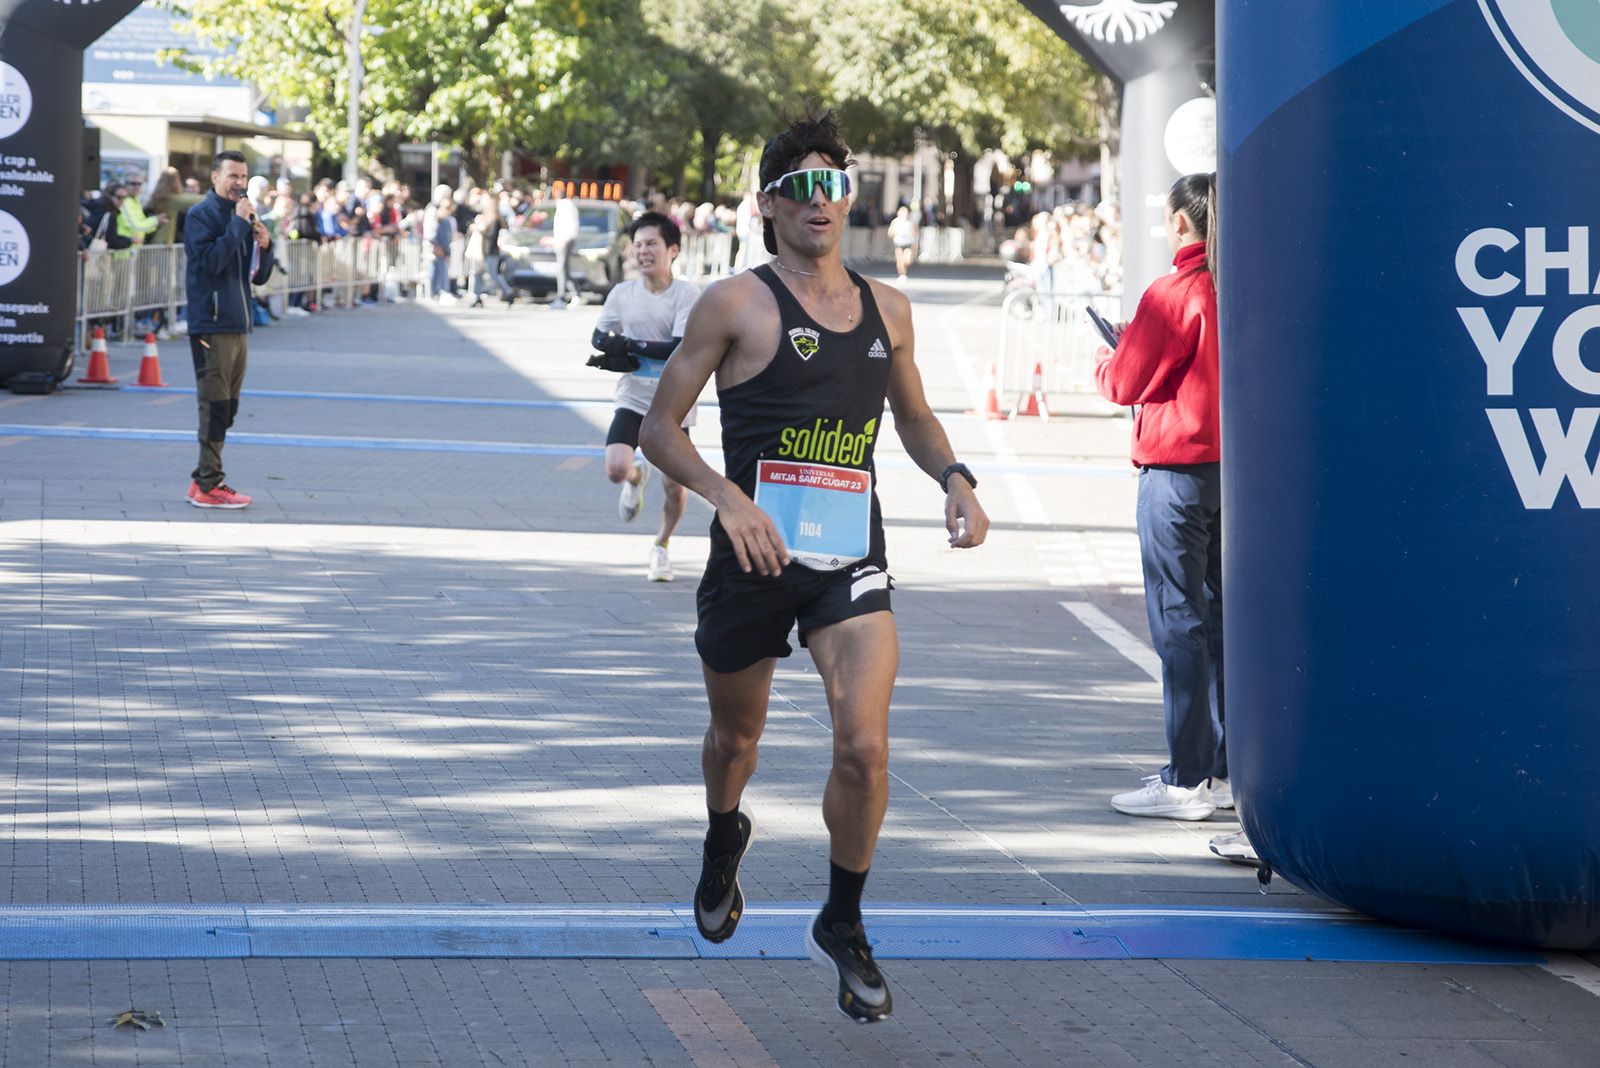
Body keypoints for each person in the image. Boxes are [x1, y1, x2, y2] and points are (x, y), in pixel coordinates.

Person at [640, 111, 988, 1023]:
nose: (819, 201)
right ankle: (724, 839)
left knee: (866, 746)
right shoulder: (734, 304)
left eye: (833, 184)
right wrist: (729, 499)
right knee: (737, 743)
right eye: (799, 187)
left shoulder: (889, 309)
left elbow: (910, 418)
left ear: (849, 196)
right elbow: (658, 428)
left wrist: (953, 476)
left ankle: (841, 919)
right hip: (751, 555)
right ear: (768, 205)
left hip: (848, 557)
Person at [1094, 173, 1225, 821]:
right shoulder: (1237, 286)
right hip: (1230, 475)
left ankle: (1186, 778)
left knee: (1178, 623)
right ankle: (1224, 771)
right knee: (1223, 623)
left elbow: (1124, 383)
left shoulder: (1173, 292)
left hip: (1173, 473)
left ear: (1180, 223)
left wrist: (1106, 357)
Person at [590, 212, 701, 582]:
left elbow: (677, 348)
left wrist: (629, 345)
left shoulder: (687, 295)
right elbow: (600, 338)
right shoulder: (622, 293)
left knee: (675, 487)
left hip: (674, 402)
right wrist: (618, 347)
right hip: (633, 397)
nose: (643, 252)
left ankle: (662, 545)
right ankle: (636, 479)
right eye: (637, 245)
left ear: (672, 250)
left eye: (651, 243)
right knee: (614, 469)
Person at [182, 150, 276, 509]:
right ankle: (209, 484)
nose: (239, 183)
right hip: (212, 323)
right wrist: (237, 226)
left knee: (228, 408)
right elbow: (210, 264)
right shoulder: (201, 216)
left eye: (243, 176)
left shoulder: (244, 217)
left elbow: (258, 276)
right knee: (214, 406)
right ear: (215, 178)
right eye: (232, 176)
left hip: (238, 322)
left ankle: (201, 479)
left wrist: (265, 247)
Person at [549, 183, 579, 308]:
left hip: (564, 241)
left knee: (561, 269)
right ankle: (575, 293)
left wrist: (564, 240)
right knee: (563, 270)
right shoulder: (563, 205)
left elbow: (571, 225)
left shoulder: (566, 206)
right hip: (561, 240)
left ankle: (562, 296)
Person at [887, 205, 917, 283]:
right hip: (898, 242)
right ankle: (902, 274)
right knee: (899, 259)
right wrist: (895, 232)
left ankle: (904, 270)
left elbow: (916, 232)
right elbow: (890, 233)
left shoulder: (910, 222)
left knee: (907, 260)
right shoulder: (895, 222)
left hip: (908, 242)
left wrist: (914, 242)